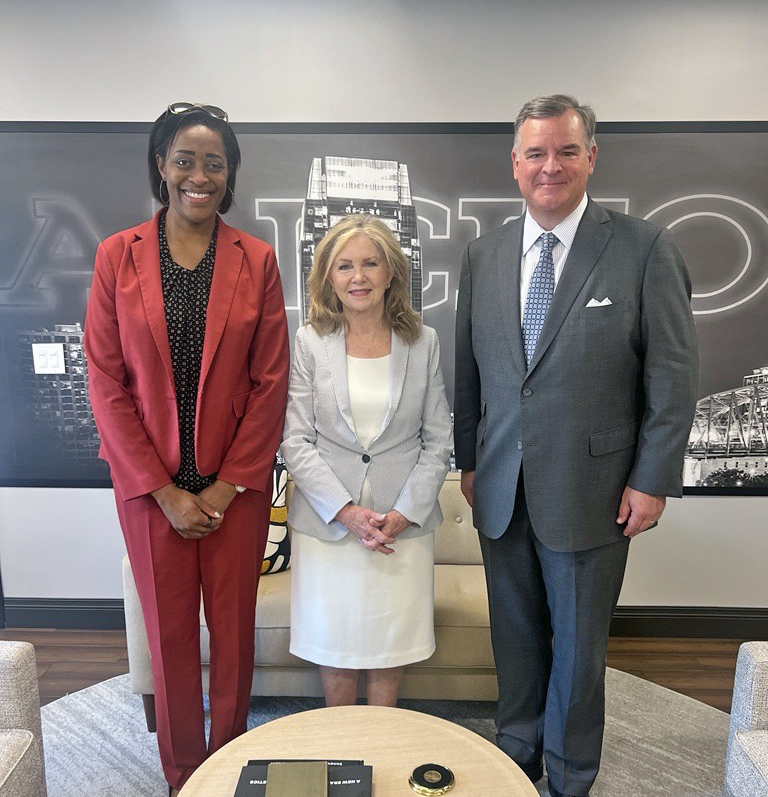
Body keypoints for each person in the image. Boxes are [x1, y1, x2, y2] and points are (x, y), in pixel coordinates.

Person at [454, 94, 698, 797]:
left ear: (591, 157)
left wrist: (653, 479)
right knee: (516, 637)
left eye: (566, 150)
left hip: (594, 491)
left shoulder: (645, 248)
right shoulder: (484, 253)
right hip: (501, 488)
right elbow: (469, 371)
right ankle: (517, 749)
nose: (550, 166)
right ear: (515, 163)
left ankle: (569, 774)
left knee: (580, 648)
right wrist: (470, 462)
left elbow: (673, 376)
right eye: (535, 153)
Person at [85, 102, 290, 794]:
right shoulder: (117, 256)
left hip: (235, 492)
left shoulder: (256, 259)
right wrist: (164, 490)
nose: (199, 175)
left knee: (233, 637)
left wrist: (227, 485)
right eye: (184, 159)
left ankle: (227, 766)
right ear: (161, 166)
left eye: (214, 163)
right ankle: (183, 777)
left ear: (229, 175)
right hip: (152, 494)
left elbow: (270, 382)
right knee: (169, 641)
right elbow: (106, 380)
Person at [281, 214, 452, 707]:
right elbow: (296, 440)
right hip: (330, 525)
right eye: (345, 266)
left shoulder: (423, 341)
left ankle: (384, 738)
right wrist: (346, 512)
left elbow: (438, 440)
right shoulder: (310, 341)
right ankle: (341, 743)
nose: (358, 277)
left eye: (370, 264)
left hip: (400, 529)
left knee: (389, 643)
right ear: (329, 277)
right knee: (335, 642)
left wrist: (404, 514)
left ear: (390, 272)